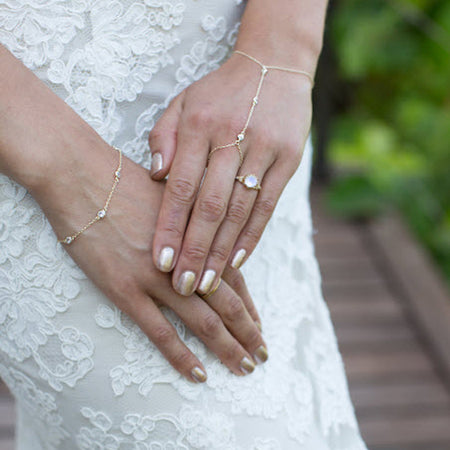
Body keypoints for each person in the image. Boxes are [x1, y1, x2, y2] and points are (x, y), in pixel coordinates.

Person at [0, 0, 367, 448]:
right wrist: (76, 176)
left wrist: (282, 51)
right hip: (36, 131)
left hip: (247, 105)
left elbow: (282, 47)